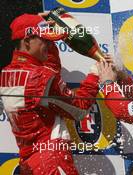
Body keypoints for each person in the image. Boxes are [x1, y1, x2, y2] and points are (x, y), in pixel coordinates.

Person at [0, 13, 100, 175]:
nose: (48, 44)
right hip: (52, 161)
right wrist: (96, 74)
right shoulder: (42, 77)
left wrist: (40, 23)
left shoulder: (5, 74)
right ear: (27, 41)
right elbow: (80, 109)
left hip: (29, 164)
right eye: (44, 40)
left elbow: (47, 67)